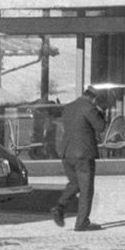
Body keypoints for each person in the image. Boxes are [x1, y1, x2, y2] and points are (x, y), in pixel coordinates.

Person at [50, 88, 108, 231]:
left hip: (67, 152)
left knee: (74, 183)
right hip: (83, 154)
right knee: (86, 189)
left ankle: (59, 207)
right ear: (94, 99)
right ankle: (82, 223)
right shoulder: (90, 108)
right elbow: (100, 127)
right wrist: (101, 112)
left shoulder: (69, 107)